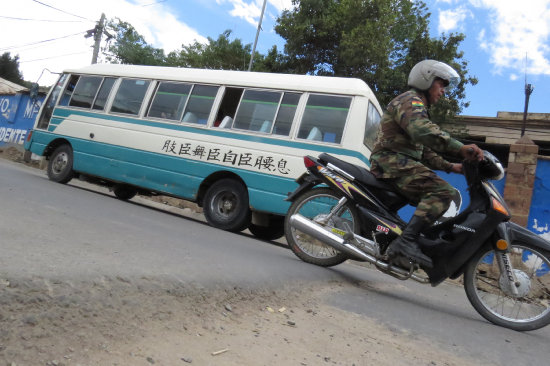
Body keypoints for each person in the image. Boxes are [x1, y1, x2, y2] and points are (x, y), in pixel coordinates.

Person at [369, 59, 484, 268]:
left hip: (399, 162)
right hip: (390, 161)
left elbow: (424, 151)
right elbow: (423, 131)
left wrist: (452, 167)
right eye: (441, 85)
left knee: (436, 192)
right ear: (427, 79)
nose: (443, 92)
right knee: (442, 192)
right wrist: (460, 148)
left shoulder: (417, 106)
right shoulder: (411, 101)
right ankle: (404, 243)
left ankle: (402, 243)